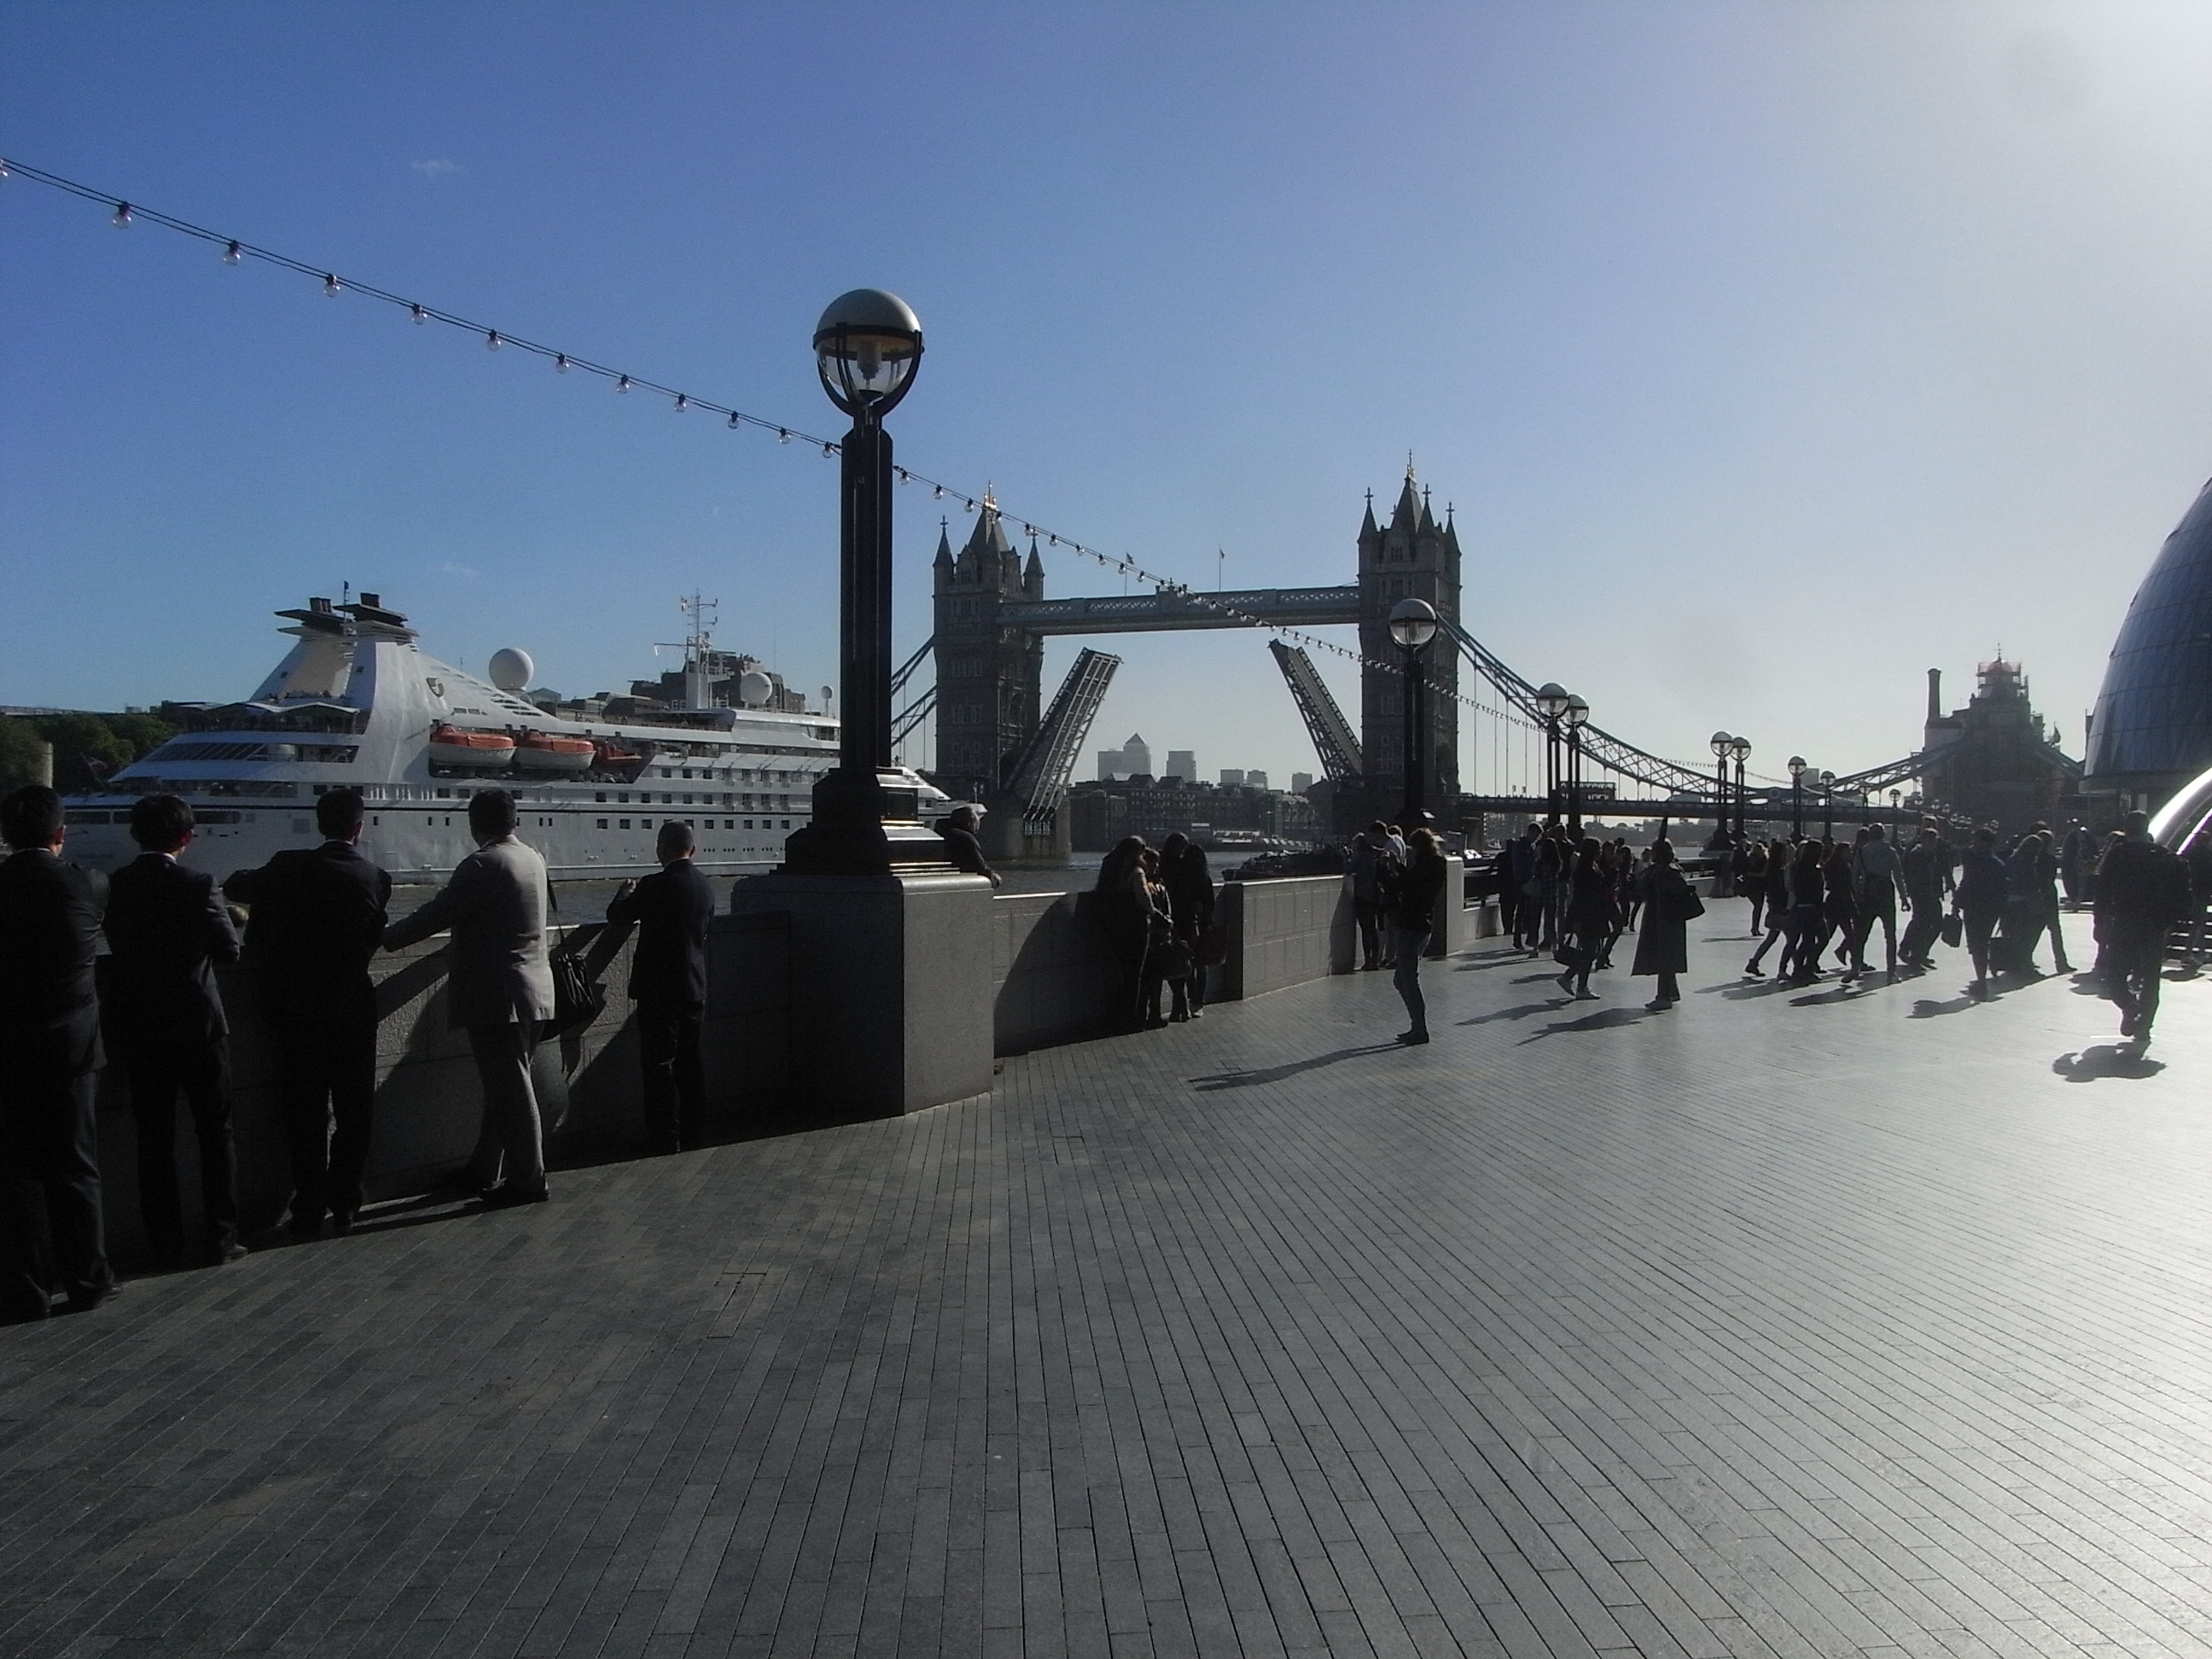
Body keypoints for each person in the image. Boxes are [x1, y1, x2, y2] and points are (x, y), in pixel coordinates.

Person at [226, 787, 393, 1238]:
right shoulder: (376, 878)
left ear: (319, 824)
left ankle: (308, 1206)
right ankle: (346, 1202)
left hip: (295, 1008)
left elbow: (236, 886)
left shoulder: (288, 866)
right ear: (359, 828)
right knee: (355, 1109)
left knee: (304, 1112)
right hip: (352, 1006)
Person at [381, 789, 555, 1206]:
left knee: (511, 1092)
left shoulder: (481, 864)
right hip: (536, 991)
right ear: (514, 820)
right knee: (506, 1088)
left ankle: (529, 1180)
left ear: (475, 823)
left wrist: (386, 938)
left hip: (498, 996)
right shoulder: (532, 857)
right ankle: (484, 1168)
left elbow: (436, 914)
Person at [102, 794, 245, 1265]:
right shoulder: (199, 884)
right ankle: (221, 1238)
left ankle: (164, 1243)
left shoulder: (117, 884)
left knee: (154, 1138)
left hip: (140, 1023)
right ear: (186, 837)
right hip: (198, 1022)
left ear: (134, 834)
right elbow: (229, 952)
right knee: (216, 1133)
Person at [0, 785, 117, 1322]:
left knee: (15, 1173)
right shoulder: (88, 883)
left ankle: (26, 1289)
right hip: (72, 1046)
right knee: (76, 1165)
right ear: (61, 833)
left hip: (9, 1045)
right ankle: (88, 1280)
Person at [607, 820, 715, 1154]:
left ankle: (664, 1137)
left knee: (658, 1065)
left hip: (659, 990)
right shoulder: (705, 885)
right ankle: (696, 1133)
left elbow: (618, 916)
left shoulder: (655, 884)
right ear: (693, 849)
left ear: (662, 848)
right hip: (694, 986)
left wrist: (625, 891)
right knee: (690, 1063)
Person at [2093, 811, 2192, 1041]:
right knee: (2150, 975)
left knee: (2115, 972)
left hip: (2125, 919)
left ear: (2126, 828)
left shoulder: (2118, 854)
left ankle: (2128, 1003)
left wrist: (2099, 921)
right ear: (2146, 828)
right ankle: (2144, 1025)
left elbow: (2103, 890)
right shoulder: (2163, 855)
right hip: (2155, 923)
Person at [1090, 837, 1153, 1029]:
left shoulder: (1110, 869)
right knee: (1134, 974)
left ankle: (1114, 1016)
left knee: (1120, 972)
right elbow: (1144, 898)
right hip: (1135, 926)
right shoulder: (1136, 872)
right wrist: (1154, 913)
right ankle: (1130, 1018)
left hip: (1112, 925)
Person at [1390, 829, 1447, 1043]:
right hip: (1423, 925)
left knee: (1407, 980)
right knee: (1403, 979)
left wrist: (1392, 868)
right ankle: (1417, 1026)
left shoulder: (1423, 865)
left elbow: (1402, 885)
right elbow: (1414, 881)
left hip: (1410, 925)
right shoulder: (1436, 865)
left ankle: (1420, 1029)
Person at [1633, 838, 1695, 1007]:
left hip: (1669, 917)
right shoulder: (1656, 870)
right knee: (1663, 955)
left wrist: (1661, 879)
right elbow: (1642, 889)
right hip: (1658, 916)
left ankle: (1664, 996)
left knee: (1665, 956)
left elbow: (1679, 887)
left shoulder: (1671, 870)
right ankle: (1671, 992)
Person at [1158, 833, 1214, 1020]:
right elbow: (1208, 902)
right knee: (1197, 963)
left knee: (1184, 962)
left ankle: (1183, 1002)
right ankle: (1193, 1003)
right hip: (1192, 922)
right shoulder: (1199, 876)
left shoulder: (1170, 867)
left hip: (1179, 921)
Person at [1554, 838, 1615, 1000]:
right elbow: (1581, 897)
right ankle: (1576, 983)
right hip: (1587, 916)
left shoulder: (1590, 867)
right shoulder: (1586, 870)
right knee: (1589, 951)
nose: (1600, 851)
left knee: (1589, 951)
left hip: (1592, 915)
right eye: (1599, 849)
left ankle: (1575, 981)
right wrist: (1577, 920)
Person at [1953, 827, 2009, 997]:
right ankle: (1982, 978)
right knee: (1983, 942)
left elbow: (1966, 884)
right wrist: (2003, 912)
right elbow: (2003, 890)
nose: (1972, 843)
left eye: (1975, 840)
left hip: (1974, 908)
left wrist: (1956, 904)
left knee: (1977, 945)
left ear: (1983, 842)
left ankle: (1981, 981)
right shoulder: (1998, 864)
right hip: (1991, 910)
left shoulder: (1974, 862)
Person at [1846, 824, 1904, 981]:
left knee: (1861, 933)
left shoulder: (1862, 852)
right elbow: (1898, 875)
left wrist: (1858, 893)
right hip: (1886, 894)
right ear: (1883, 835)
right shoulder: (1890, 851)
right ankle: (1891, 971)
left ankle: (1855, 966)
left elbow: (1854, 875)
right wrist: (1904, 897)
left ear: (1870, 835)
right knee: (1890, 935)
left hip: (1868, 895)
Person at [1896, 824, 1953, 970]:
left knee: (1937, 924)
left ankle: (1919, 953)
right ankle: (1914, 954)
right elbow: (1911, 875)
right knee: (1920, 923)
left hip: (1934, 893)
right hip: (1920, 894)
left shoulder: (1936, 854)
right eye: (1929, 839)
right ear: (1923, 840)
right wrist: (1908, 893)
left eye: (1934, 840)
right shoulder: (1916, 854)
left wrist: (1949, 883)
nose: (1932, 843)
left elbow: (1944, 870)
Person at [1743, 839, 1793, 977]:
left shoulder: (1771, 868)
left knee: (1773, 937)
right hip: (1779, 908)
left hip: (1774, 907)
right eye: (1784, 853)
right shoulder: (1777, 871)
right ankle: (1786, 969)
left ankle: (1754, 962)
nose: (1786, 855)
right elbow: (1779, 890)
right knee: (1790, 940)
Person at [1348, 830, 1387, 970]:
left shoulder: (1359, 855)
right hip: (1374, 895)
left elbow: (1349, 869)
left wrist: (1347, 858)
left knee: (1365, 929)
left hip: (1362, 895)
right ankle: (1375, 960)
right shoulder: (1373, 854)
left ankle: (1368, 960)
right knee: (1373, 928)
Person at [934, 805, 1000, 888]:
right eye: (976, 821)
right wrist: (995, 879)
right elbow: (979, 867)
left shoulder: (937, 834)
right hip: (958, 885)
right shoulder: (966, 839)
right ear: (970, 822)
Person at [1502, 824, 1540, 952]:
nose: (1536, 838)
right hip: (1522, 881)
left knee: (1524, 911)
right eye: (1535, 835)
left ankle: (1520, 938)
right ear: (1530, 832)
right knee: (1522, 910)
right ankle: (1518, 939)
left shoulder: (1528, 845)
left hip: (1525, 880)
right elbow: (1521, 864)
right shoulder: (1522, 846)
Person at [2059, 820, 2098, 910]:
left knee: (2080, 882)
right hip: (2083, 865)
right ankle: (2079, 898)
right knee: (2082, 882)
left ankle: (2077, 898)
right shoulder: (2084, 834)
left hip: (2079, 865)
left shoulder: (2077, 835)